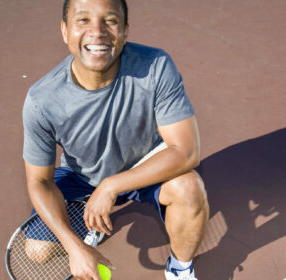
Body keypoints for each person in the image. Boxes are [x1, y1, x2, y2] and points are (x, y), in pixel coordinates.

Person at [22, 0, 209, 279]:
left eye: (110, 21)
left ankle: (180, 268)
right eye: (83, 20)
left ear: (125, 31)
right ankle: (88, 225)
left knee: (189, 187)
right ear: (65, 30)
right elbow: (39, 181)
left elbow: (186, 152)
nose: (97, 32)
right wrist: (74, 247)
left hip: (145, 165)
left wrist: (111, 186)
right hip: (81, 175)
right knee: (37, 251)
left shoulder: (155, 66)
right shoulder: (42, 100)